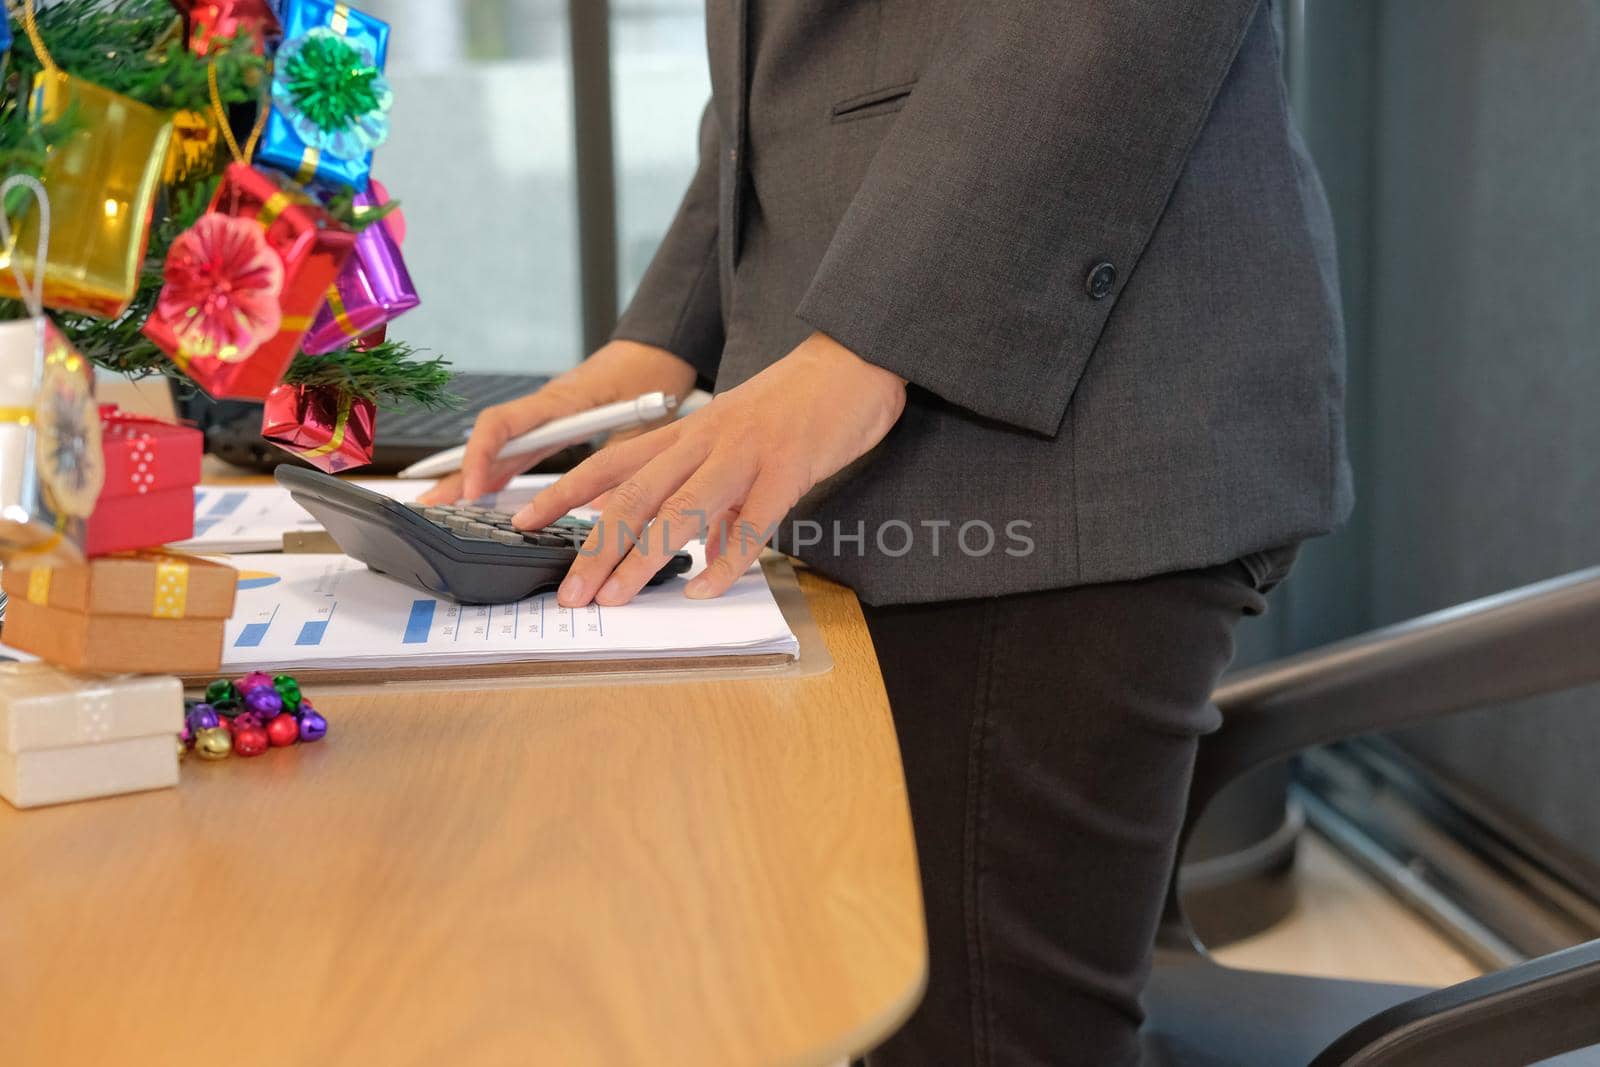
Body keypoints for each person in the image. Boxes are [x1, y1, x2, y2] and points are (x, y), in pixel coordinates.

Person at [422, 1, 1351, 1062]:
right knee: (880, 1000)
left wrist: (864, 347)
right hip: (878, 431)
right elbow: (783, 84)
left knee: (983, 1034)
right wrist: (657, 342)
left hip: (1051, 454)